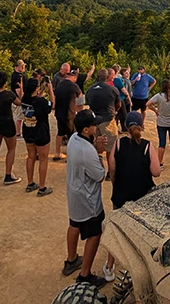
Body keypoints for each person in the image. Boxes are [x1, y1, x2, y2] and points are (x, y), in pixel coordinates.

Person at [104, 111, 161, 283]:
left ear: (126, 126)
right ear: (141, 126)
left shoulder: (118, 144)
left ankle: (109, 266)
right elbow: (156, 172)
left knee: (116, 232)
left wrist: (116, 183)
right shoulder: (147, 146)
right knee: (142, 234)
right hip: (142, 197)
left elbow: (112, 170)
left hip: (121, 194)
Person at [63, 110, 109, 289]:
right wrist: (99, 153)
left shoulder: (74, 138)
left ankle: (71, 259)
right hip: (88, 199)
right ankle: (85, 274)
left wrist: (93, 145)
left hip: (74, 194)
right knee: (95, 234)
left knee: (74, 225)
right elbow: (99, 175)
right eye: (92, 125)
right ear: (85, 129)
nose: (95, 127)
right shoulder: (87, 152)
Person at [21, 77, 54, 196]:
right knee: (43, 159)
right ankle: (42, 187)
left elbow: (34, 99)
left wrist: (40, 92)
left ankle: (30, 183)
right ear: (36, 88)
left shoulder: (24, 99)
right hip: (41, 131)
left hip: (28, 129)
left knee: (30, 156)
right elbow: (51, 105)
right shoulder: (41, 102)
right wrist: (50, 91)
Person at [86, 68, 121, 167]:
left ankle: (96, 168)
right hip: (108, 120)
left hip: (94, 121)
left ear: (97, 77)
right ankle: (110, 171)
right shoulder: (112, 89)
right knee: (111, 148)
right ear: (107, 77)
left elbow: (89, 103)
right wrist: (114, 111)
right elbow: (119, 104)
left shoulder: (90, 89)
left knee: (95, 147)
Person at [53, 69, 82, 161]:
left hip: (59, 112)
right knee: (71, 135)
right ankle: (70, 156)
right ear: (74, 77)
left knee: (60, 133)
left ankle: (57, 153)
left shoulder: (60, 84)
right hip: (69, 113)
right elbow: (80, 95)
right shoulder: (74, 86)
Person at [10, 59, 27, 139]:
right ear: (17, 67)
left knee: (17, 116)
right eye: (22, 66)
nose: (24, 67)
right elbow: (18, 89)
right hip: (18, 99)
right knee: (19, 117)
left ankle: (17, 132)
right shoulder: (18, 76)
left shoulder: (15, 75)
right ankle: (18, 133)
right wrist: (22, 99)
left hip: (15, 98)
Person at [111, 65, 130, 130]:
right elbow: (123, 89)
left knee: (115, 115)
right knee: (123, 114)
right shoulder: (117, 80)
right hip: (120, 98)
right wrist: (127, 95)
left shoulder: (110, 79)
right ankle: (124, 128)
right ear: (117, 71)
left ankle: (115, 128)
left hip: (112, 99)